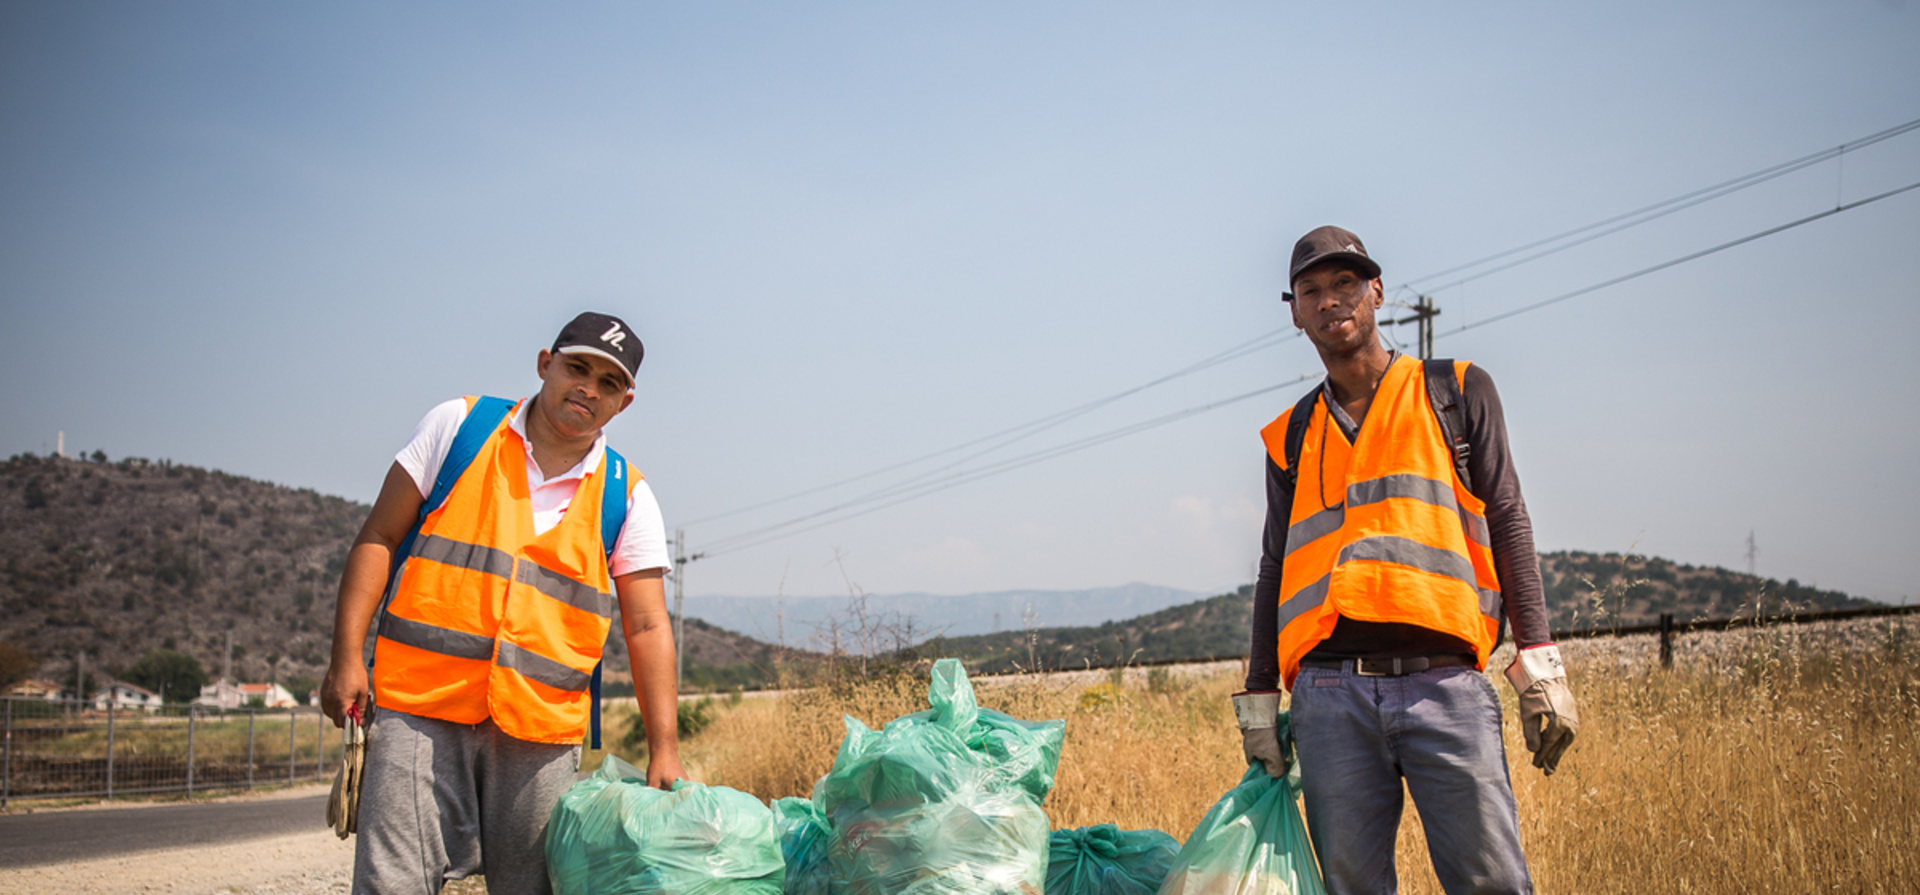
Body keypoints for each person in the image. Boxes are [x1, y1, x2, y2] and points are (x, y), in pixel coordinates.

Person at [1231, 227, 1578, 895]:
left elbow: (1507, 516)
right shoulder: (1292, 435)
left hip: (1444, 683)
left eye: (1345, 285)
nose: (1331, 301)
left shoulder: (1455, 391)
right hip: (1330, 696)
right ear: (1295, 311)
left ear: (1377, 292)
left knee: (1492, 883)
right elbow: (1274, 565)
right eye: (1313, 291)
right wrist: (1258, 692)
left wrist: (1539, 663)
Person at [321, 311, 683, 895]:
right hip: (418, 704)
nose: (589, 387)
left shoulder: (627, 494)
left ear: (625, 402)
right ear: (546, 364)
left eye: (609, 382)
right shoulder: (460, 426)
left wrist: (664, 748)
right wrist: (345, 659)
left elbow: (647, 624)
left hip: (540, 731)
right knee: (392, 884)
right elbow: (378, 538)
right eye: (577, 368)